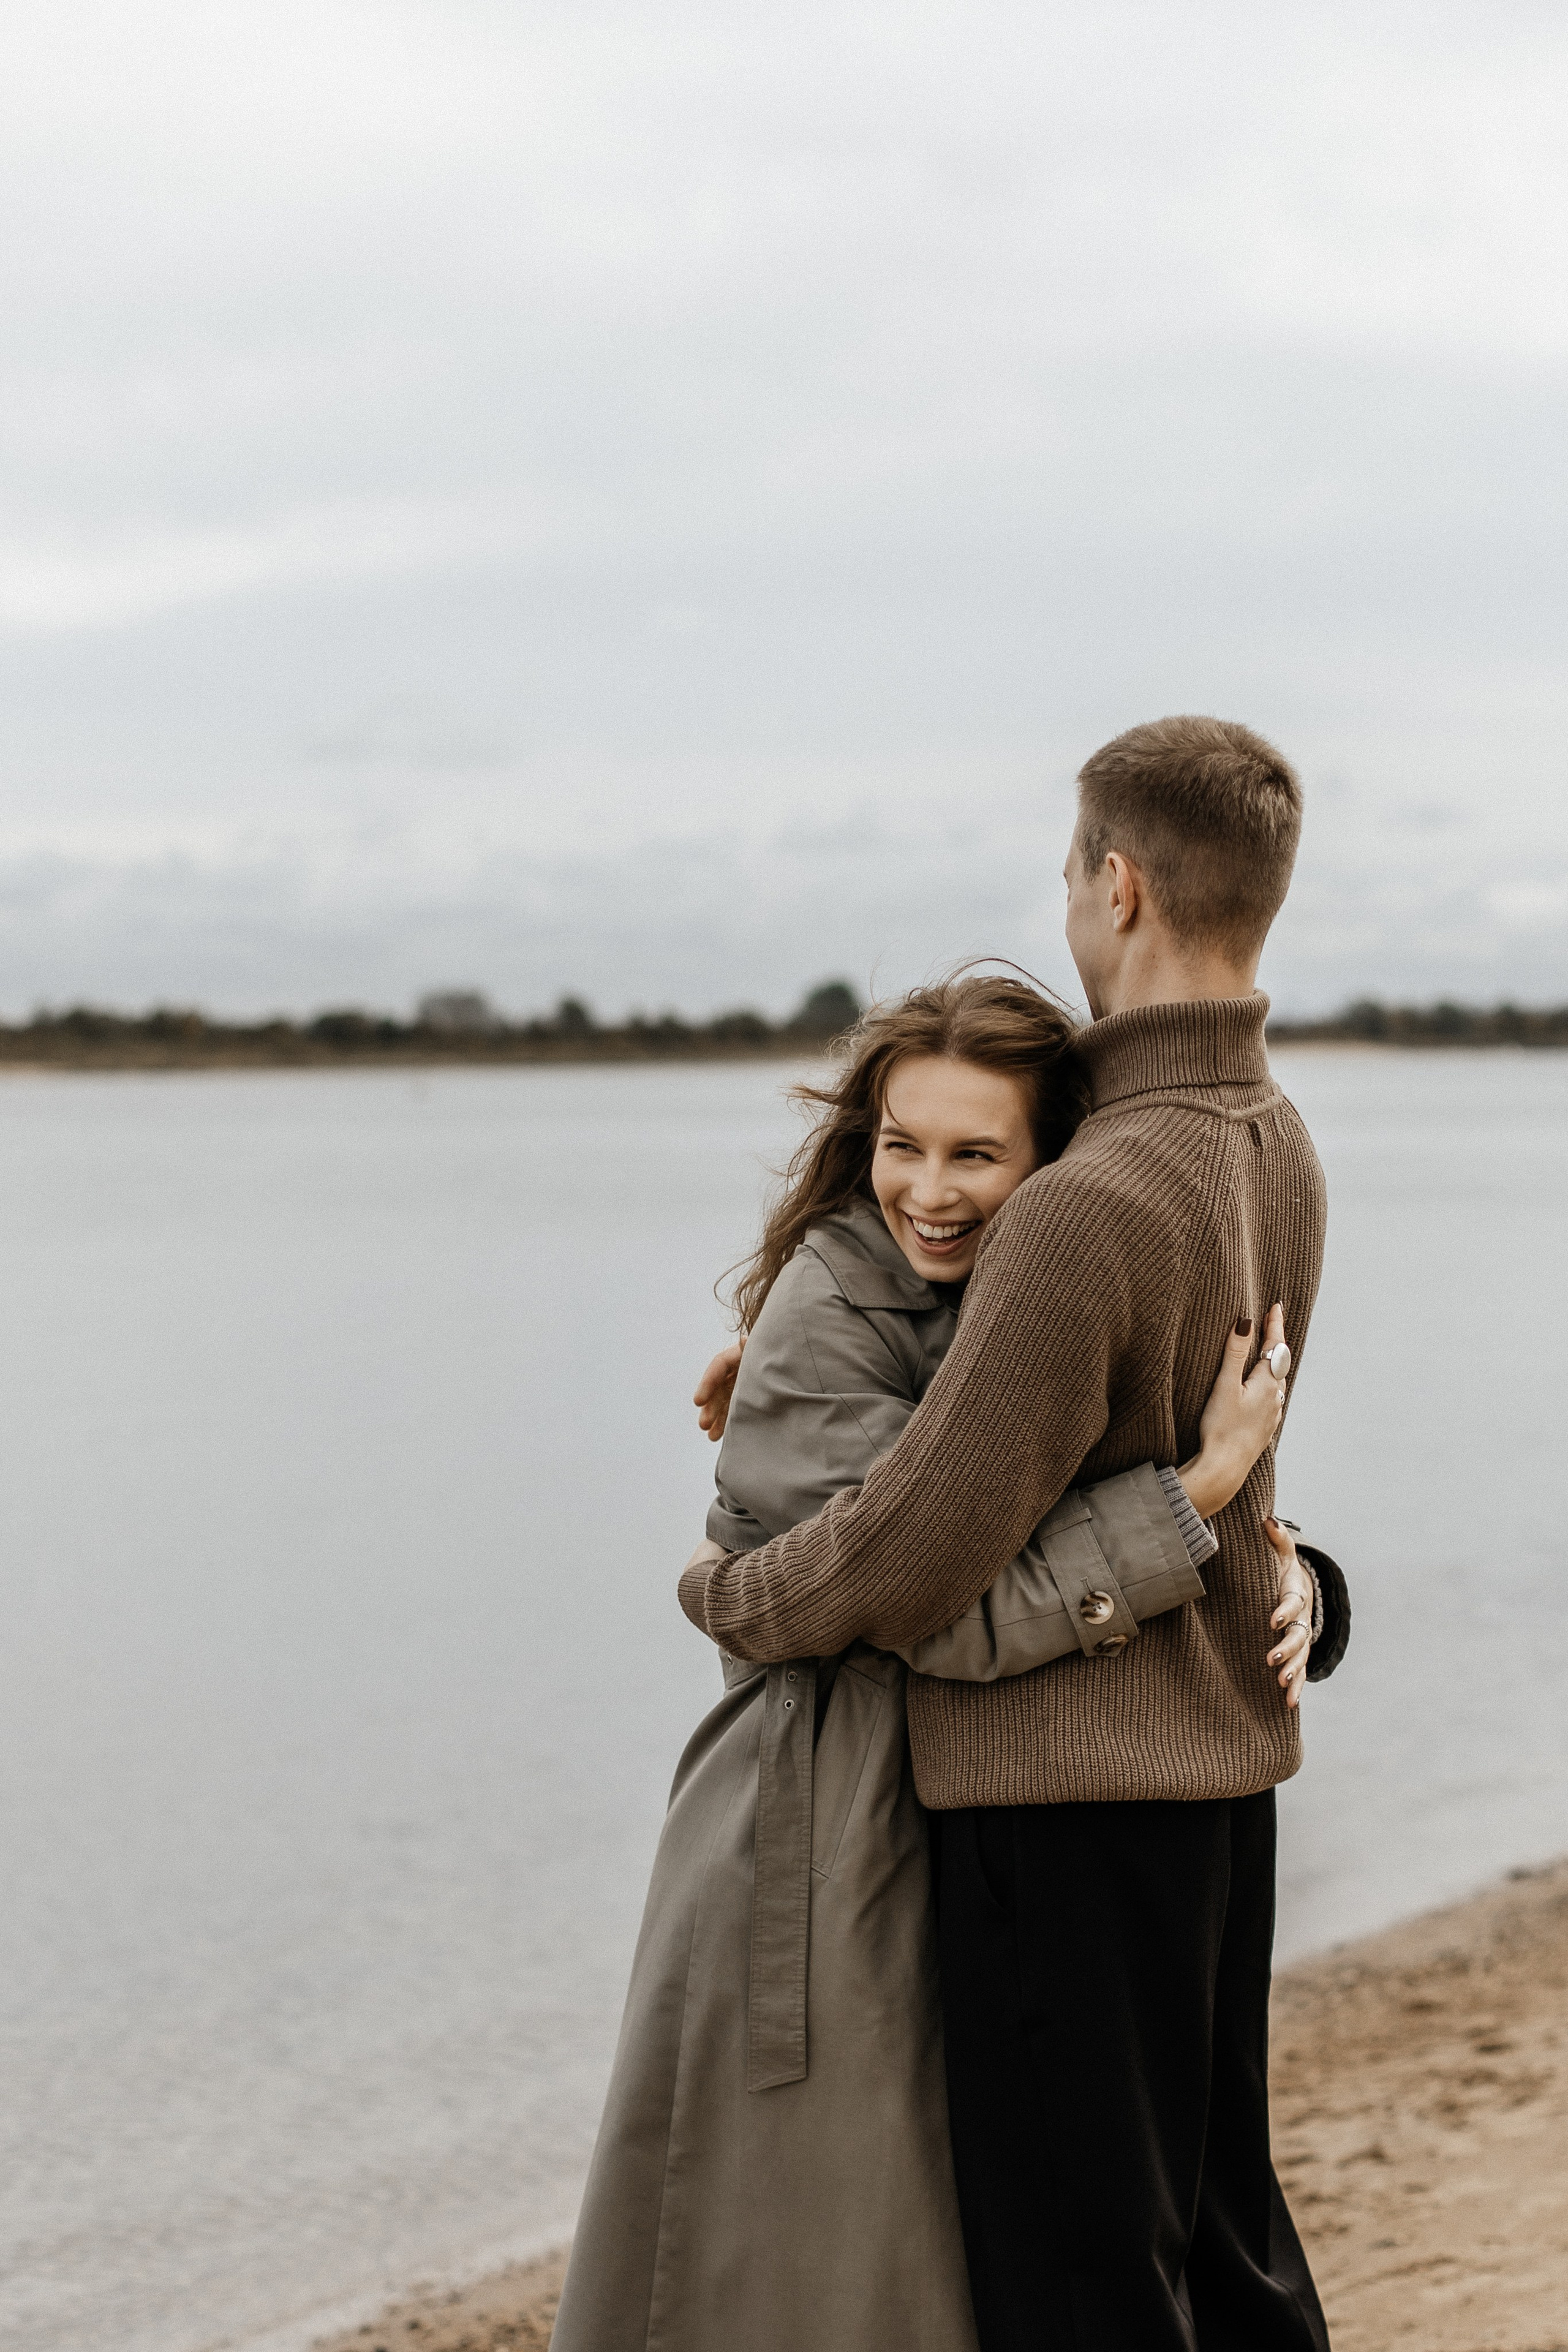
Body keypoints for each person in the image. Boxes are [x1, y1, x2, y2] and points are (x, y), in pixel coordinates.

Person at [677, 716, 1336, 2350]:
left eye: (1067, 876)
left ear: (1114, 884)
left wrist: (738, 1593)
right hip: (1216, 1795)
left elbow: (908, 1557)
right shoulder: (1281, 1146)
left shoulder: (1090, 1203)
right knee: (1223, 2253)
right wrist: (1308, 1579)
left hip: (1061, 1806)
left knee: (1081, 2284)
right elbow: (1181, 1447)